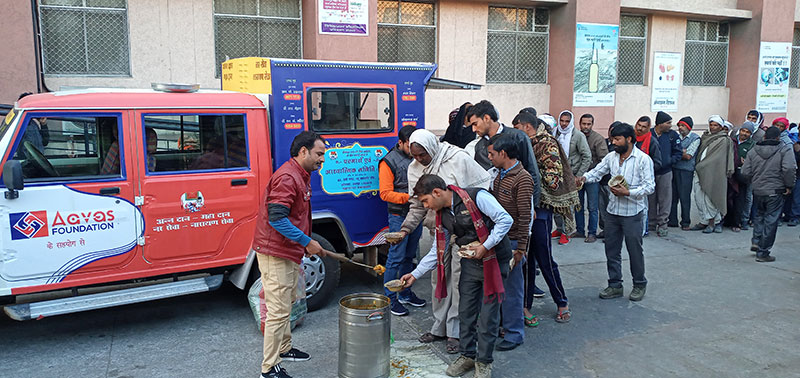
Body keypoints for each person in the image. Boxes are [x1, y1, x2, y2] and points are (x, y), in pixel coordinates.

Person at [401, 174, 511, 378]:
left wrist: (485, 246)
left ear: (437, 192)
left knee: (488, 316)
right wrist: (415, 275)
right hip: (470, 261)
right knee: (465, 310)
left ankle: (484, 362)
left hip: (494, 261)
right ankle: (468, 355)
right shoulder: (443, 214)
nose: (426, 207)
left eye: (425, 201)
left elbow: (505, 220)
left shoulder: (477, 196)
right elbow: (437, 250)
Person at [391, 129, 491, 354]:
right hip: (438, 230)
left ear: (432, 148)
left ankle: (455, 332)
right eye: (414, 156)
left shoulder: (457, 159)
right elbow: (417, 205)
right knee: (439, 277)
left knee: (458, 280)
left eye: (422, 155)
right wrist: (405, 229)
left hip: (463, 231)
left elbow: (481, 188)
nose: (419, 160)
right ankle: (439, 326)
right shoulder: (413, 169)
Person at [252, 131, 331, 378]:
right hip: (275, 251)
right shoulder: (287, 177)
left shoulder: (301, 174)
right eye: (319, 154)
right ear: (303, 151)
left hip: (287, 250)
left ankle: (284, 348)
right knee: (277, 310)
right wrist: (307, 241)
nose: (322, 160)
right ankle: (269, 368)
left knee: (286, 303)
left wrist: (302, 243)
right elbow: (277, 219)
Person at [578, 123, 654, 301]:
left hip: (633, 212)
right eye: (612, 139)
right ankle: (615, 285)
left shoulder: (643, 159)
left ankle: (639, 284)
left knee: (634, 250)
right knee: (611, 250)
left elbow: (650, 187)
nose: (613, 143)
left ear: (629, 139)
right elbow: (597, 172)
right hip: (612, 212)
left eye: (617, 139)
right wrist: (583, 178)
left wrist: (628, 193)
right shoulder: (612, 157)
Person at [513, 110, 574, 326]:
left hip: (542, 210)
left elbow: (552, 179)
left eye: (518, 128)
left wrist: (530, 183)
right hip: (524, 208)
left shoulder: (547, 144)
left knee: (545, 259)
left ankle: (561, 302)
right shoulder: (523, 143)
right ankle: (526, 306)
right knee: (526, 261)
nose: (516, 132)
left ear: (526, 126)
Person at [487, 134, 533, 351]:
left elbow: (525, 215)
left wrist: (521, 249)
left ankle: (515, 333)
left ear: (503, 154)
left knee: (513, 290)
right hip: (500, 239)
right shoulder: (499, 175)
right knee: (498, 287)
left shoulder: (522, 179)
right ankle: (503, 327)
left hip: (514, 242)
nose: (490, 158)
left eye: (492, 154)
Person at [378, 126, 426, 316]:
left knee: (409, 256)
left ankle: (405, 292)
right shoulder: (388, 162)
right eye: (410, 145)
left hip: (417, 213)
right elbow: (385, 194)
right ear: (401, 143)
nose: (414, 149)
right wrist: (411, 197)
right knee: (395, 257)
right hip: (399, 215)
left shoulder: (418, 157)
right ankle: (390, 299)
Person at [467, 100, 542, 206]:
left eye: (475, 124)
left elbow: (532, 171)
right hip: (493, 208)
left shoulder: (518, 137)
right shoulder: (479, 146)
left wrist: (533, 205)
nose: (473, 129)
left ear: (487, 118)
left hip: (519, 204)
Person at [741, 127, 797, 262]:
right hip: (776, 190)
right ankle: (763, 251)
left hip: (758, 189)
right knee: (771, 220)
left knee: (759, 215)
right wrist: (789, 185)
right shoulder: (784, 149)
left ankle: (756, 240)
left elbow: (745, 171)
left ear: (765, 137)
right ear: (778, 138)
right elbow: (789, 168)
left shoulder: (754, 150)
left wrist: (754, 182)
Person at [551, 110, 591, 244]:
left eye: (567, 121)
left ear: (571, 122)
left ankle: (567, 232)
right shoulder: (554, 133)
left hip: (571, 175)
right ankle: (559, 228)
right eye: (561, 121)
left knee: (567, 206)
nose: (563, 124)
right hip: (556, 175)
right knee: (555, 204)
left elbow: (587, 156)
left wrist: (578, 175)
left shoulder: (578, 136)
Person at [691, 115, 734, 233]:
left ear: (721, 127)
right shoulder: (705, 137)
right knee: (699, 196)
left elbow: (719, 158)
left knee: (711, 197)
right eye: (711, 124)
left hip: (715, 172)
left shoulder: (724, 140)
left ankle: (712, 222)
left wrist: (703, 165)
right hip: (700, 171)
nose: (713, 127)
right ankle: (703, 221)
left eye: (716, 125)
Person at [577, 113, 608, 243]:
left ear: (592, 125)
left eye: (588, 124)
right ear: (580, 124)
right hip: (577, 177)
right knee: (577, 205)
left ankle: (592, 232)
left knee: (592, 207)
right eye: (583, 123)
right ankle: (579, 230)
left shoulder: (598, 139)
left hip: (592, 178)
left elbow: (604, 160)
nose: (586, 126)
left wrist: (591, 170)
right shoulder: (576, 137)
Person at [649, 111, 682, 237]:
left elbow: (678, 152)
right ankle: (651, 223)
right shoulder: (649, 134)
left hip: (665, 172)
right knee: (650, 199)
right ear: (660, 124)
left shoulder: (672, 135)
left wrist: (669, 162)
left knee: (665, 199)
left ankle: (662, 224)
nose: (671, 125)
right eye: (668, 123)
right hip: (650, 173)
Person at [669, 117, 700, 230]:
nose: (680, 128)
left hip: (686, 171)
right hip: (674, 168)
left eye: (683, 126)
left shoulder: (695, 138)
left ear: (688, 127)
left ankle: (685, 222)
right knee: (673, 196)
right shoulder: (675, 137)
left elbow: (688, 156)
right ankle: (672, 220)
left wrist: (676, 152)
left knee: (684, 197)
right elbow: (670, 151)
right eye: (679, 125)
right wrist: (681, 151)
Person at [725, 121, 757, 232]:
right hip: (730, 173)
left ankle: (738, 222)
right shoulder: (732, 140)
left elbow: (753, 160)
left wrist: (746, 162)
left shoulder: (752, 144)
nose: (744, 133)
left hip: (743, 176)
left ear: (751, 134)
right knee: (728, 198)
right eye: (743, 130)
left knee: (741, 200)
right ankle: (727, 221)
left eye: (747, 132)